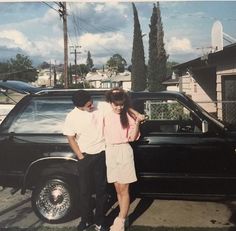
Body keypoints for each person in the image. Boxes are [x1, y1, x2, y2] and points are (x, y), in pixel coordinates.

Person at [63, 90, 107, 231]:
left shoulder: (100, 106)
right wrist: (81, 156)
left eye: (91, 102)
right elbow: (70, 137)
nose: (91, 106)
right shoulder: (72, 116)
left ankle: (100, 220)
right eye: (88, 105)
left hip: (101, 154)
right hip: (85, 157)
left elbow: (120, 104)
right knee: (84, 191)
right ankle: (85, 220)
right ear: (79, 106)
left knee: (101, 190)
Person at [103, 88, 142, 231]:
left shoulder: (127, 115)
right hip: (110, 151)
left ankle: (120, 221)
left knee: (124, 189)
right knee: (118, 189)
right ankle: (122, 218)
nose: (119, 107)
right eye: (116, 104)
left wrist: (137, 121)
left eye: (121, 105)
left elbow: (132, 137)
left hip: (124, 151)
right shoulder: (104, 113)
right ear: (110, 103)